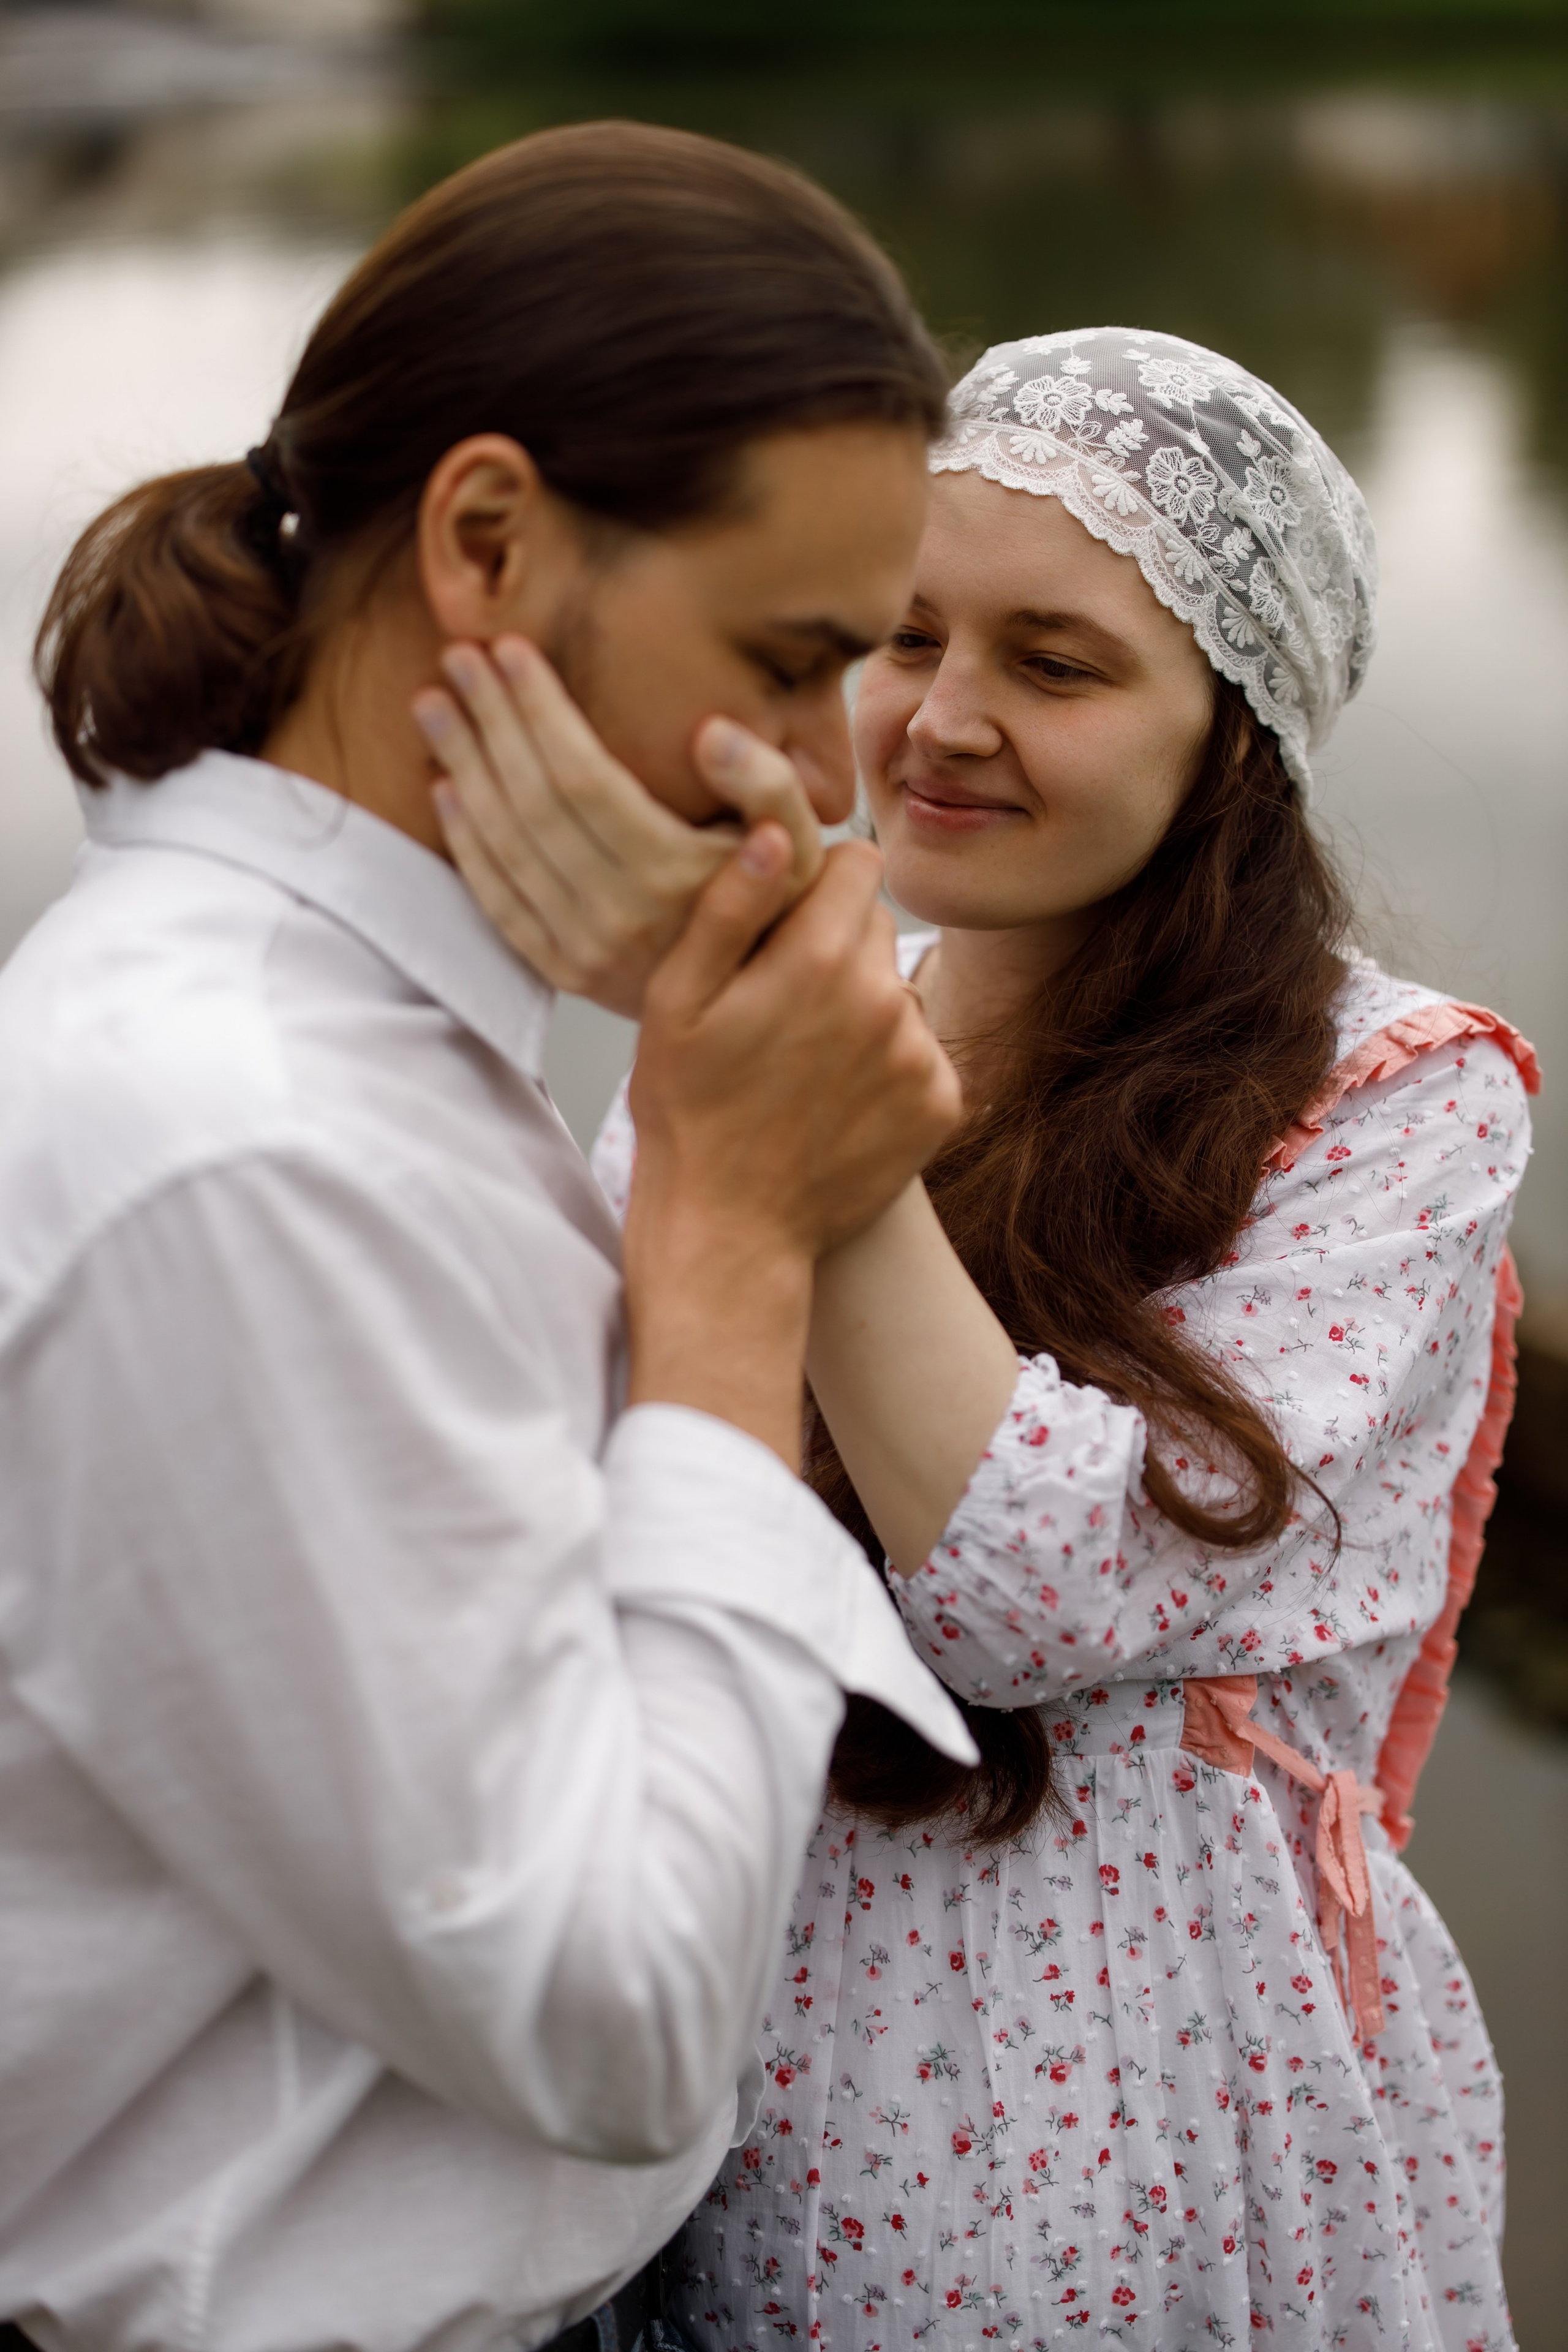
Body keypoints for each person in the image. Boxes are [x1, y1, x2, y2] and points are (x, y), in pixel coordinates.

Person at [425, 328, 1536, 2351]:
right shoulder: (811, 997)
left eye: (1056, 661)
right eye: (901, 635)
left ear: (1236, 731)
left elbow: (1038, 1590)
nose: (936, 721)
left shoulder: (1399, 1097)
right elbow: (590, 1487)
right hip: (742, 2025)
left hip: (1133, 2100)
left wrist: (790, 1072)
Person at [0, 124, 987, 2352]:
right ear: (487, 541)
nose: (837, 779)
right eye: (791, 651)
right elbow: (618, 2022)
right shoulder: (249, 1151)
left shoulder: (338, 1051)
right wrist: (734, 1240)